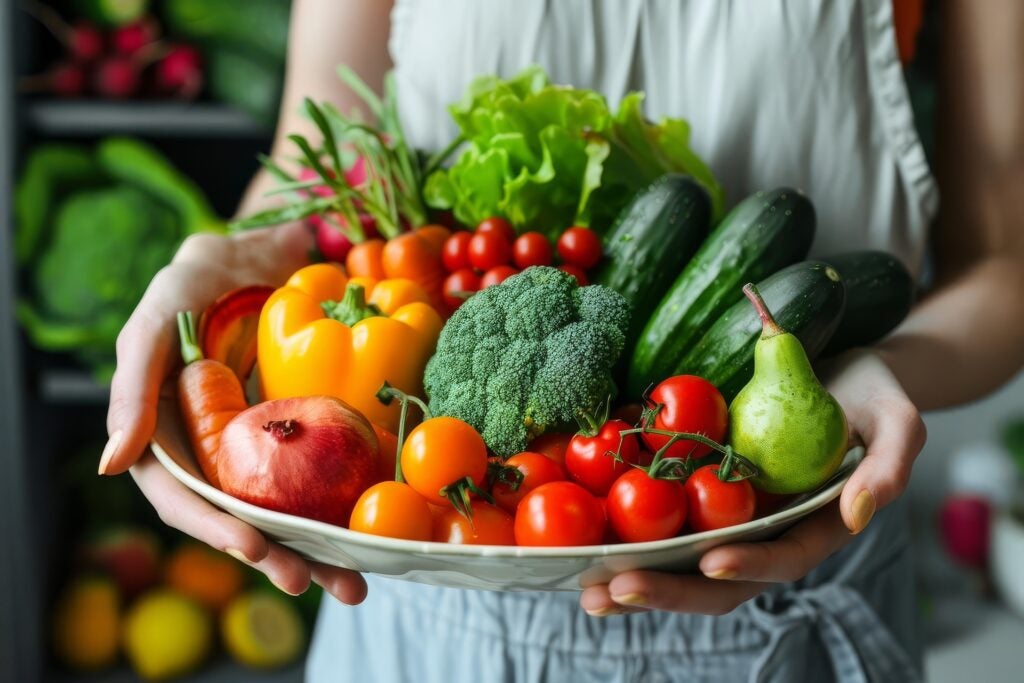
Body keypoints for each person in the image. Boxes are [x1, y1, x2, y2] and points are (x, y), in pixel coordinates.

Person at [98, 0, 1024, 680]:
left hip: (788, 558)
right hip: (428, 573)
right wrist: (225, 261)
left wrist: (874, 368)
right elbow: (313, 156)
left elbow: (1006, 265)